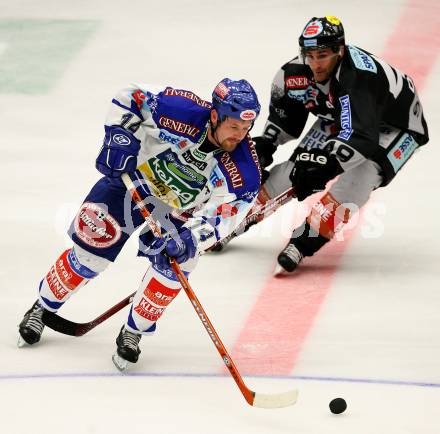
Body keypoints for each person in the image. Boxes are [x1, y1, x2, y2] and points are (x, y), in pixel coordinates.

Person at [18, 78, 262, 370]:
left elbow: (231, 210)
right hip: (130, 184)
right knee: (89, 256)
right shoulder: (179, 109)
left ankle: (134, 331)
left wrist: (193, 238)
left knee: (175, 266)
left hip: (176, 211)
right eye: (234, 126)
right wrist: (120, 136)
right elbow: (130, 97)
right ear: (214, 115)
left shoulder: (245, 169)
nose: (240, 135)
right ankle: (42, 308)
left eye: (246, 128)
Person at [250, 15, 429, 272]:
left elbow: (362, 136)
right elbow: (286, 117)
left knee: (360, 176)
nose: (315, 64)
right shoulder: (292, 74)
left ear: (340, 50)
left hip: (397, 127)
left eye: (322, 55)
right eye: (309, 55)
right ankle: (232, 219)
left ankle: (304, 242)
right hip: (342, 115)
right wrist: (267, 144)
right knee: (295, 170)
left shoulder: (359, 80)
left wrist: (327, 166)